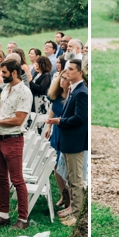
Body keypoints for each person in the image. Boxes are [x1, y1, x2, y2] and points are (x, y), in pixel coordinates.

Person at [0, 58, 33, 229]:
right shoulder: (5, 89)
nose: (1, 75)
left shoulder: (24, 92)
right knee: (1, 178)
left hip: (13, 139)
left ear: (14, 72)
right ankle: (3, 214)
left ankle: (23, 219)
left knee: (17, 180)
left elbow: (19, 120)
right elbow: (2, 113)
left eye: (4, 72)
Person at [51, 59, 88, 224]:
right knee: (70, 178)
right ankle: (72, 207)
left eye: (71, 69)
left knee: (75, 179)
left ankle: (77, 214)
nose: (67, 72)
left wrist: (60, 121)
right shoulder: (74, 90)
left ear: (80, 72)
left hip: (75, 141)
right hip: (68, 140)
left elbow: (80, 118)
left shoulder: (81, 92)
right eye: (66, 69)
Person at [44, 58, 69, 216]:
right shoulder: (57, 96)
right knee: (55, 166)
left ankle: (70, 198)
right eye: (61, 78)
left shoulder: (72, 97)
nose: (62, 81)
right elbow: (53, 109)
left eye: (65, 79)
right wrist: (48, 126)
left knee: (65, 165)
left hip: (66, 131)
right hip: (56, 132)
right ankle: (62, 194)